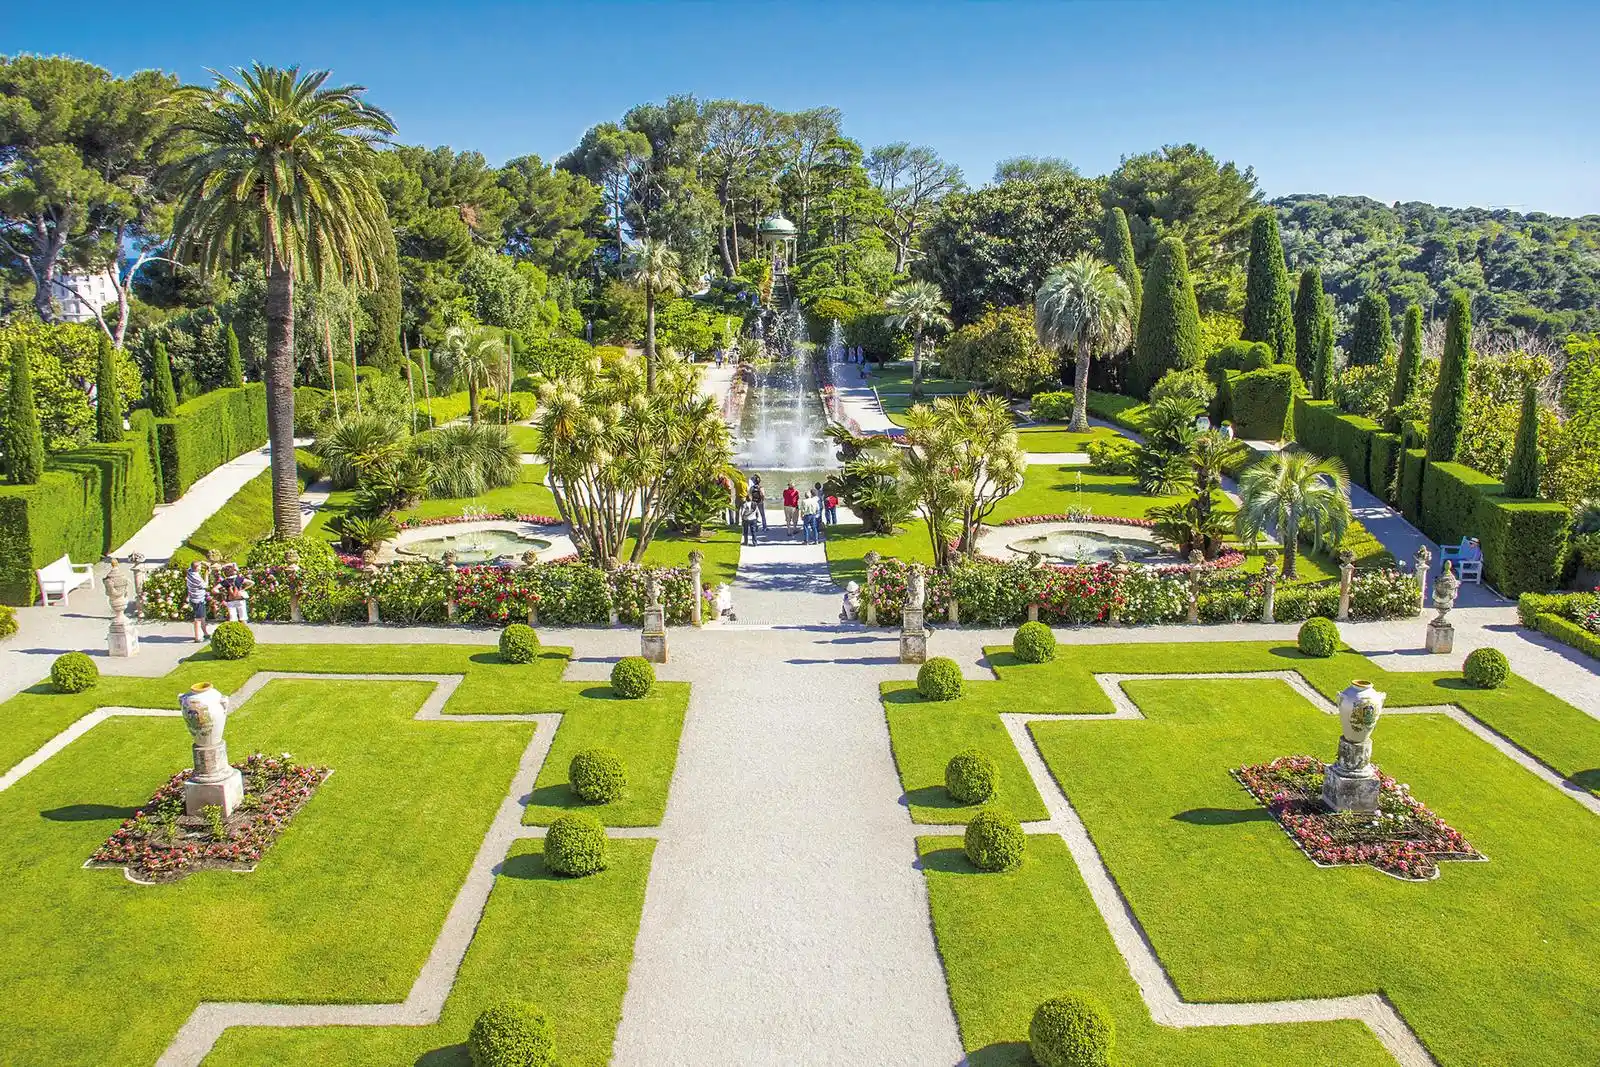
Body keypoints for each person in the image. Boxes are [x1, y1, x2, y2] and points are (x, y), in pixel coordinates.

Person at [186, 560, 211, 642]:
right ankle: (197, 638)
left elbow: (195, 563)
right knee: (198, 619)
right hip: (198, 600)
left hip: (195, 599)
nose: (201, 567)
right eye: (200, 566)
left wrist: (204, 563)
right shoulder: (196, 578)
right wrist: (207, 574)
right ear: (197, 568)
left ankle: (205, 633)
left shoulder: (189, 571)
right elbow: (206, 585)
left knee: (202, 616)